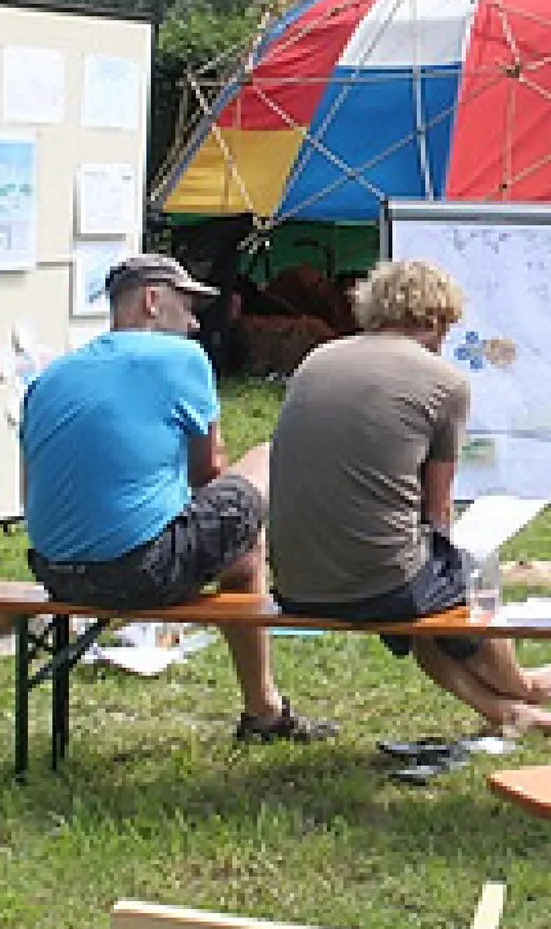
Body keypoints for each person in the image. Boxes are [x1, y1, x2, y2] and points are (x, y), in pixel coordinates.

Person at [20, 253, 335, 743]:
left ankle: (265, 706)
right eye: (187, 308)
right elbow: (209, 471)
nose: (193, 324)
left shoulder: (52, 375)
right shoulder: (180, 359)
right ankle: (264, 709)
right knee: (266, 463)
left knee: (238, 540)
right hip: (135, 572)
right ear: (151, 300)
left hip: (55, 573)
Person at [268, 260, 551, 738]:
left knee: (422, 593)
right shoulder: (444, 382)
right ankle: (523, 686)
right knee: (457, 581)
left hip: (293, 580)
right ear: (434, 319)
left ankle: (505, 713)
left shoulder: (316, 360)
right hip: (378, 583)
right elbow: (438, 510)